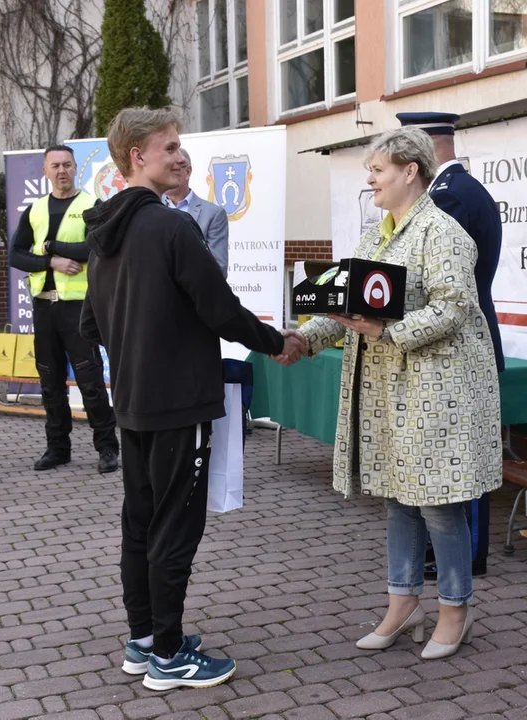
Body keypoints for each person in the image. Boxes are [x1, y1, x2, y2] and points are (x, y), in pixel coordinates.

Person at [80, 106, 302, 691]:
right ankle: (171, 655)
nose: (181, 157)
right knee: (175, 525)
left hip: (132, 398)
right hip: (179, 402)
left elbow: (89, 324)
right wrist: (277, 342)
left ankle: (144, 638)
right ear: (138, 157)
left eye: (181, 147)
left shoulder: (103, 233)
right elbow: (222, 310)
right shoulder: (172, 227)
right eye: (171, 147)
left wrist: (139, 345)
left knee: (141, 521)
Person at [292, 127, 502, 660]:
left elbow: (453, 309)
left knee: (437, 504)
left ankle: (456, 607)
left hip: (438, 390)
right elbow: (344, 306)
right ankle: (402, 602)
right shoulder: (378, 235)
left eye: (378, 170)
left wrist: (386, 332)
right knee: (398, 499)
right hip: (390, 392)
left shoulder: (443, 232)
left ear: (411, 171)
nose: (371, 179)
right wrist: (301, 340)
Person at [398, 111, 504, 580]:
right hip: (447, 343)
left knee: (464, 464)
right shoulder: (454, 191)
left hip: (458, 347)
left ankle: (467, 556)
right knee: (450, 460)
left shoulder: (452, 197)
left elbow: (430, 286)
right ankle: (443, 553)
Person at [8, 144, 120, 475]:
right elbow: (16, 255)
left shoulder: (91, 205)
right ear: (45, 171)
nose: (61, 171)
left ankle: (107, 448)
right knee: (50, 382)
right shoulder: (35, 210)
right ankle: (58, 448)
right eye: (55, 165)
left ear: (76, 170)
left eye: (67, 165)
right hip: (44, 308)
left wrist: (56, 247)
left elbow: (96, 247)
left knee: (90, 381)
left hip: (79, 309)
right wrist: (51, 260)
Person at [163, 148, 229, 276]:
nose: (166, 177)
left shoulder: (213, 214)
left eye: (173, 170)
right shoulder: (151, 209)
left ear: (187, 171)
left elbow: (219, 269)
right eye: (164, 170)